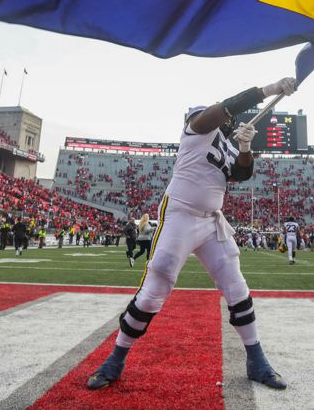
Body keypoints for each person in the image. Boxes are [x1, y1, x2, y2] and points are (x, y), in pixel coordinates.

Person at [86, 77, 295, 391]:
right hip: (180, 216)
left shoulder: (226, 144)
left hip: (212, 221)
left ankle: (256, 360)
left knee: (237, 286)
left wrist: (246, 148)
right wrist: (268, 89)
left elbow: (241, 174)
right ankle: (115, 359)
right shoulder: (196, 131)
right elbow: (226, 107)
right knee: (155, 288)